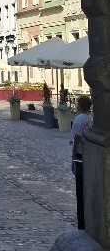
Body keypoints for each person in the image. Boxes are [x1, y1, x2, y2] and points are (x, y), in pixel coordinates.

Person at [72, 94, 93, 230]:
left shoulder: (79, 119)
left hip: (80, 154)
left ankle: (82, 222)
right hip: (89, 154)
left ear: (79, 105)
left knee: (80, 188)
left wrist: (73, 154)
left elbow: (77, 138)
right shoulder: (91, 118)